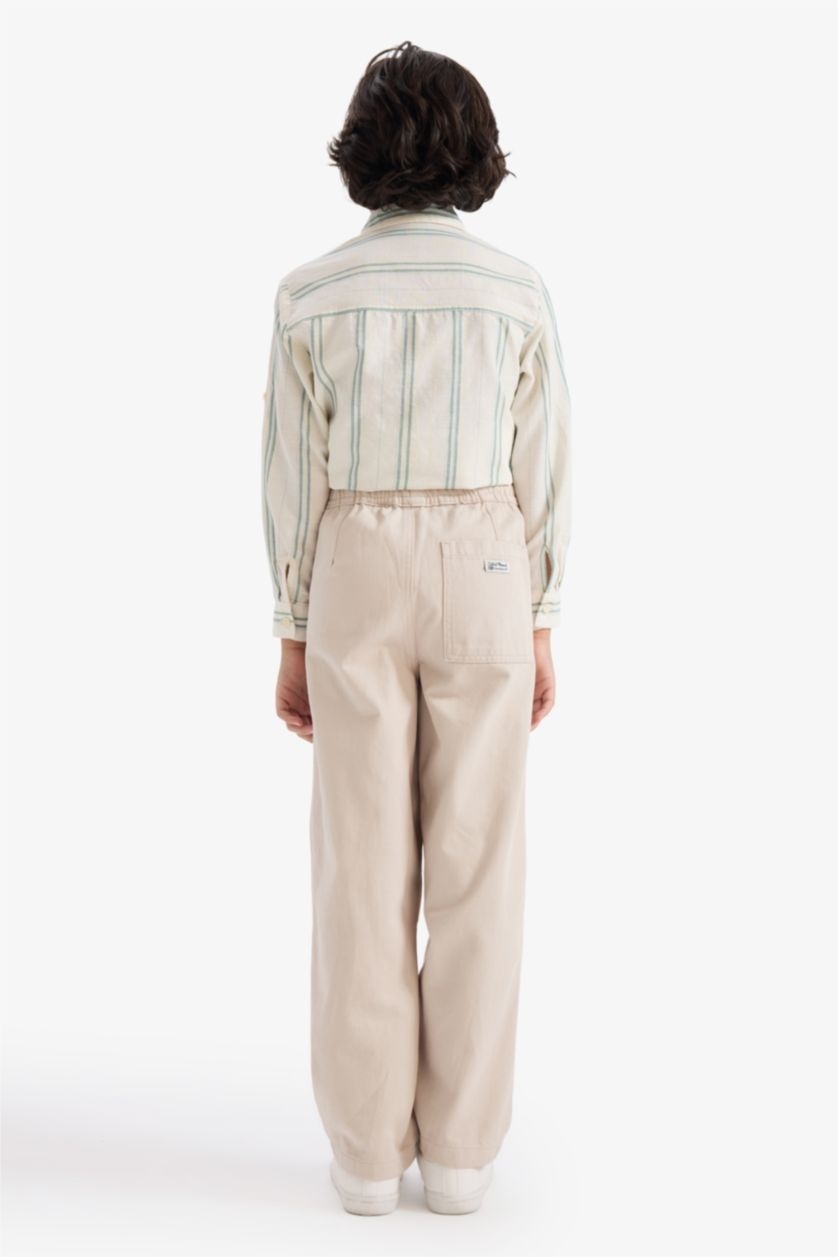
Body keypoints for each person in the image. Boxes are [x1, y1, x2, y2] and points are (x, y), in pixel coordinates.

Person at [260, 39, 571, 1216]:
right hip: (488, 556)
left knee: (361, 866)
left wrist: (293, 628)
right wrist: (539, 617)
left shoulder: (310, 294)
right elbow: (546, 468)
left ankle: (363, 1161)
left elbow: (291, 478)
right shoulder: (516, 292)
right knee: (479, 867)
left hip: (356, 559)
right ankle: (461, 1160)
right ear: (476, 152)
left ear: (360, 151)